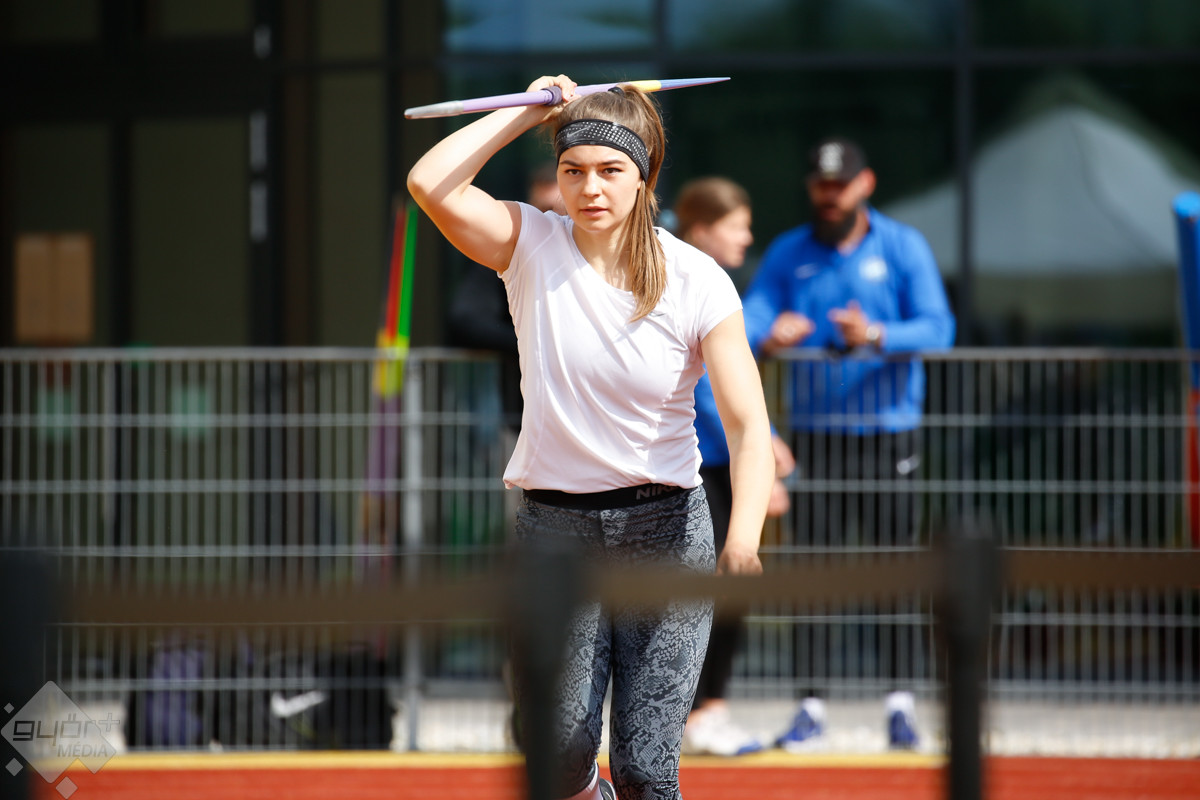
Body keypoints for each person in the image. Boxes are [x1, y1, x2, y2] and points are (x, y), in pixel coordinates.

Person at [407, 75, 775, 800]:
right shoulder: (530, 244)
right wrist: (526, 110)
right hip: (553, 530)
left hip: (668, 528)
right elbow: (429, 182)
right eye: (572, 170)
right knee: (559, 754)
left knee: (646, 767)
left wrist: (743, 541)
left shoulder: (697, 277)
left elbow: (747, 424)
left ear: (645, 176)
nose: (590, 188)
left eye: (610, 170)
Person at [741, 136, 955, 751]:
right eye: (820, 184)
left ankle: (900, 705)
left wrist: (877, 334)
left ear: (866, 184)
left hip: (890, 435)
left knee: (895, 568)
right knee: (814, 571)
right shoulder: (789, 250)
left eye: (840, 184)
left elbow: (938, 327)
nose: (829, 195)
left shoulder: (902, 245)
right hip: (816, 437)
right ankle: (810, 706)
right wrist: (772, 335)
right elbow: (748, 321)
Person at [670, 176, 795, 757]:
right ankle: (698, 711)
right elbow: (705, 392)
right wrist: (762, 454)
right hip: (694, 464)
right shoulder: (686, 278)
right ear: (702, 230)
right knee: (711, 587)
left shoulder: (708, 279)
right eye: (737, 226)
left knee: (724, 582)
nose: (747, 237)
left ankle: (705, 709)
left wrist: (764, 446)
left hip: (715, 461)